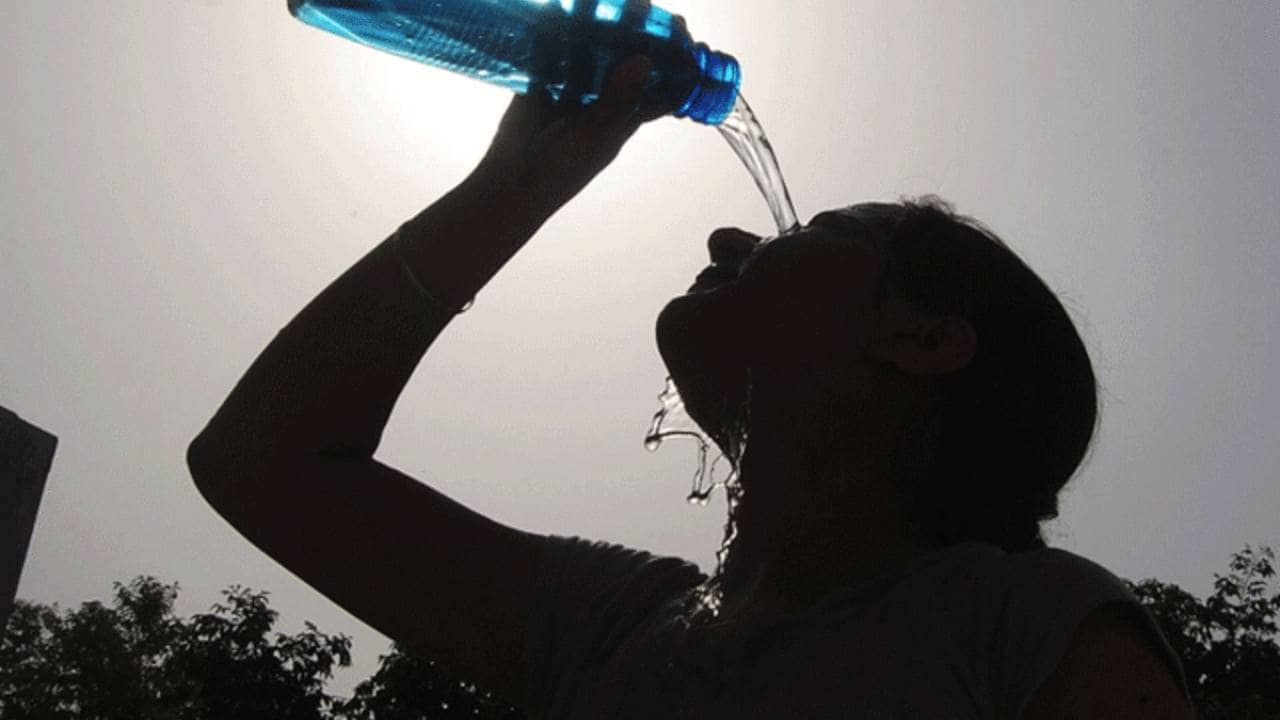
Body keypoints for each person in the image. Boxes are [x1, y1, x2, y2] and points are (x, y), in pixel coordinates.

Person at [187, 56, 1195, 718]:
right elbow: (258, 464)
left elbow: (267, 465)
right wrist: (512, 184)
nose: (727, 238)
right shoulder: (616, 623)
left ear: (922, 341)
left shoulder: (1025, 621)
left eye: (808, 235)